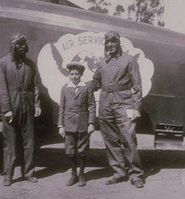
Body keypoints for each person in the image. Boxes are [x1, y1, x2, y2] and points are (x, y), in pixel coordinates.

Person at [91, 31, 145, 188]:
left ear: (119, 42)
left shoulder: (129, 60)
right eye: (107, 42)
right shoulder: (103, 62)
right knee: (110, 140)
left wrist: (136, 107)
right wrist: (83, 87)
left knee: (129, 139)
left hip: (123, 103)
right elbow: (96, 81)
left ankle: (136, 175)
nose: (110, 45)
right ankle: (119, 172)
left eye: (113, 42)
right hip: (105, 103)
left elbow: (137, 86)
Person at [0, 33, 41, 186]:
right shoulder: (2, 63)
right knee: (10, 142)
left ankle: (29, 172)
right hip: (11, 106)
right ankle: (8, 175)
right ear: (12, 45)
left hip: (27, 105)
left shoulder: (30, 64)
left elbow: (35, 86)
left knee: (29, 140)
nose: (22, 47)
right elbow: (1, 88)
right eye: (19, 44)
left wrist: (36, 104)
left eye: (24, 44)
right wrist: (6, 109)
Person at [58, 62, 96, 187]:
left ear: (81, 75)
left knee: (82, 150)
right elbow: (61, 108)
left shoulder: (86, 87)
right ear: (68, 75)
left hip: (82, 123)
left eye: (77, 74)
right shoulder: (64, 88)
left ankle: (82, 174)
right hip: (68, 123)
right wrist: (60, 125)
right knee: (70, 151)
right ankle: (73, 174)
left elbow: (91, 105)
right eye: (72, 74)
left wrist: (91, 123)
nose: (74, 76)